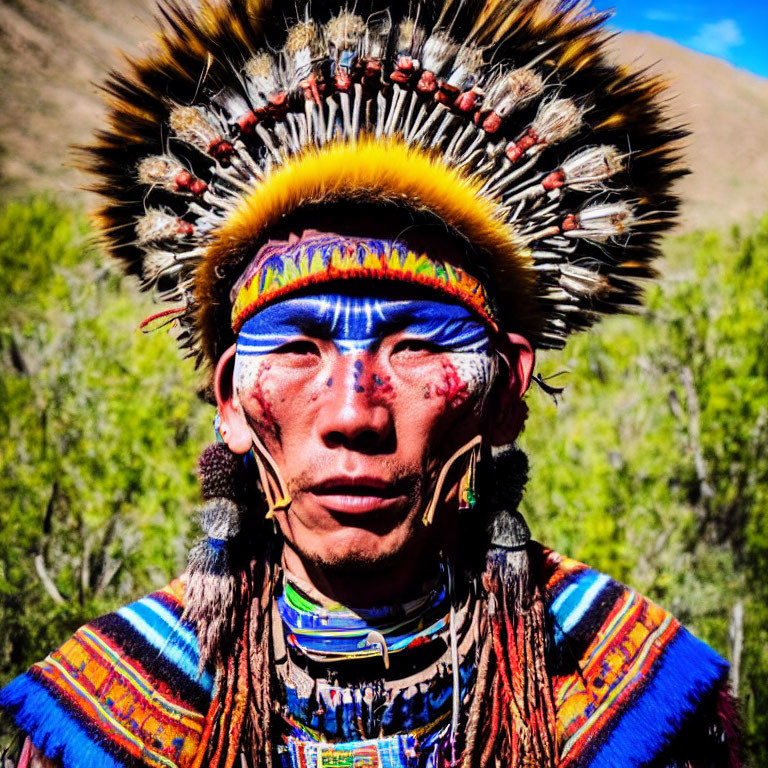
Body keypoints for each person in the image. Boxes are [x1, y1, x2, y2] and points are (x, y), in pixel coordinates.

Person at [0, 0, 742, 766]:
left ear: (507, 395)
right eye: (296, 348)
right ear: (229, 401)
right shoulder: (112, 713)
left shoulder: (623, 695)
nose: (354, 412)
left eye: (418, 345)